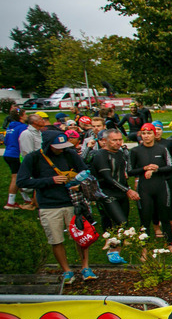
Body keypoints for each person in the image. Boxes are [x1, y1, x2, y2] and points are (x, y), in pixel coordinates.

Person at [16, 130, 95, 283]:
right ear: (47, 145)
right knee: (56, 239)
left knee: (81, 237)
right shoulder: (33, 158)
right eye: (56, 146)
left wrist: (79, 184)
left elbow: (86, 171)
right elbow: (22, 181)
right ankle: (66, 271)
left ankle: (85, 267)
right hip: (49, 205)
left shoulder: (70, 154)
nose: (60, 149)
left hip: (72, 203)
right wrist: (50, 180)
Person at [91, 129, 137, 262]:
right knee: (120, 221)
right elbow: (107, 178)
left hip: (120, 192)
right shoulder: (100, 155)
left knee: (122, 223)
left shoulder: (120, 153)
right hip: (107, 193)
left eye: (120, 140)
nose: (118, 143)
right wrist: (127, 190)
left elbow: (123, 175)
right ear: (104, 141)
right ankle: (113, 251)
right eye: (114, 140)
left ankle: (117, 251)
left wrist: (126, 188)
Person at [129, 123, 172, 251]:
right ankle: (144, 248)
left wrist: (156, 169)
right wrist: (144, 168)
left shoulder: (161, 149)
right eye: (144, 133)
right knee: (145, 218)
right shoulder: (135, 151)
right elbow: (129, 171)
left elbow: (170, 167)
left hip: (161, 186)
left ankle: (169, 244)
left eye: (149, 133)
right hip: (145, 188)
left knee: (165, 217)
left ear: (154, 134)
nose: (146, 136)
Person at [3, 107, 32, 210]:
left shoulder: (10, 127)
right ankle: (10, 203)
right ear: (21, 116)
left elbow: (6, 141)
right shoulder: (23, 127)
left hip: (8, 153)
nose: (27, 116)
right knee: (16, 178)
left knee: (18, 176)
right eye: (25, 114)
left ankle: (26, 198)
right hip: (16, 155)